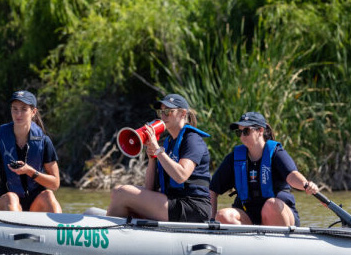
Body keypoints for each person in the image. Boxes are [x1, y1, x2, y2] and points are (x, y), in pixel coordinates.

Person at [107, 94, 212, 222]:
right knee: (117, 190)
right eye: (161, 112)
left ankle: (106, 231)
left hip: (193, 207)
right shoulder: (168, 143)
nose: (163, 116)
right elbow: (150, 188)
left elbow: (181, 176)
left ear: (183, 113)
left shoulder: (192, 140)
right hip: (173, 201)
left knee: (123, 193)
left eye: (168, 111)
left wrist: (158, 149)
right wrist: (152, 158)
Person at [210, 112, 319, 226]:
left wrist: (306, 184)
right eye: (239, 132)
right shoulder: (234, 158)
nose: (242, 136)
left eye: (246, 131)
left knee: (270, 205)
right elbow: (212, 190)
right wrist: (212, 221)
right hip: (249, 215)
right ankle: (248, 240)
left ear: (260, 131)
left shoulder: (277, 153)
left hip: (278, 213)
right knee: (222, 216)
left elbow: (292, 176)